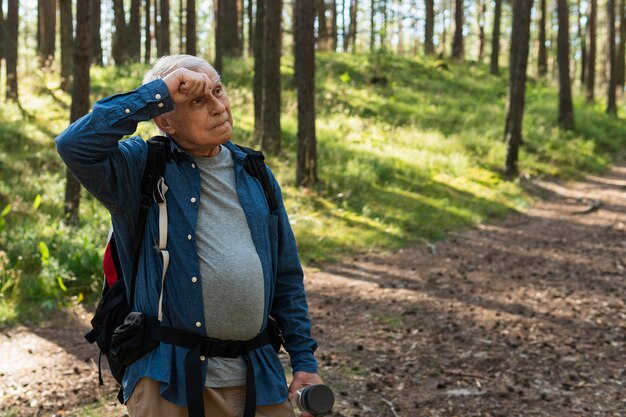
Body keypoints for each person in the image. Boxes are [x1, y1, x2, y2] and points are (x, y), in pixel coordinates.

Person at [56, 54, 322, 417]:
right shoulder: (140, 167)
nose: (218, 107)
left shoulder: (256, 173)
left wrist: (304, 360)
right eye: (197, 100)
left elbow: (286, 276)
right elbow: (74, 144)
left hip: (257, 375)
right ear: (165, 119)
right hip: (169, 381)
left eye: (218, 91)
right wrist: (160, 91)